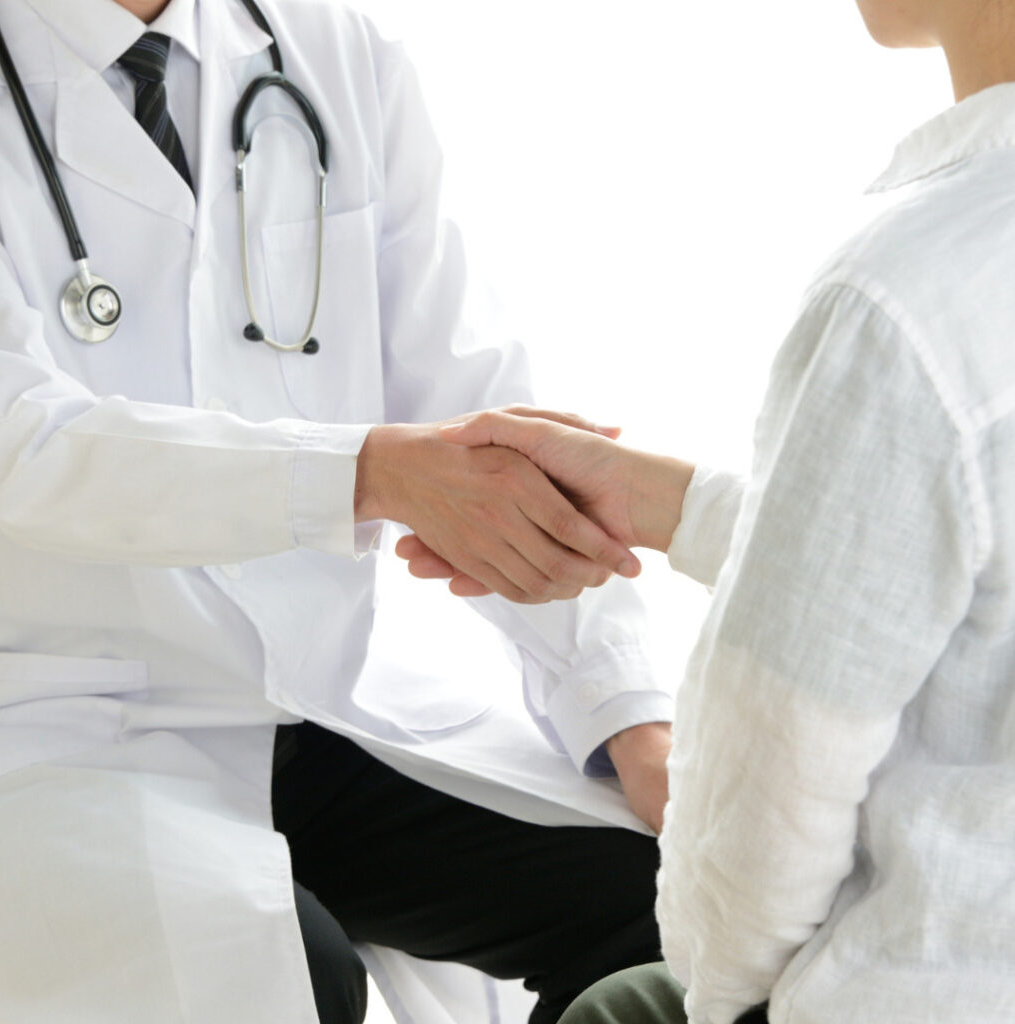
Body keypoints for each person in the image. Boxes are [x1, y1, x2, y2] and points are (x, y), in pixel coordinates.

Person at [0, 1, 676, 1022]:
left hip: (312, 702)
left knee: (687, 907)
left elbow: (476, 402)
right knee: (290, 975)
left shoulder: (336, 49)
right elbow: (20, 443)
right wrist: (365, 474)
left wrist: (631, 716)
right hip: (53, 725)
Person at [399, 0, 1015, 1021]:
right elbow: (958, 582)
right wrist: (678, 506)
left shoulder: (912, 296)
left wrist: (718, 990)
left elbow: (763, 821)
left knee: (625, 1003)